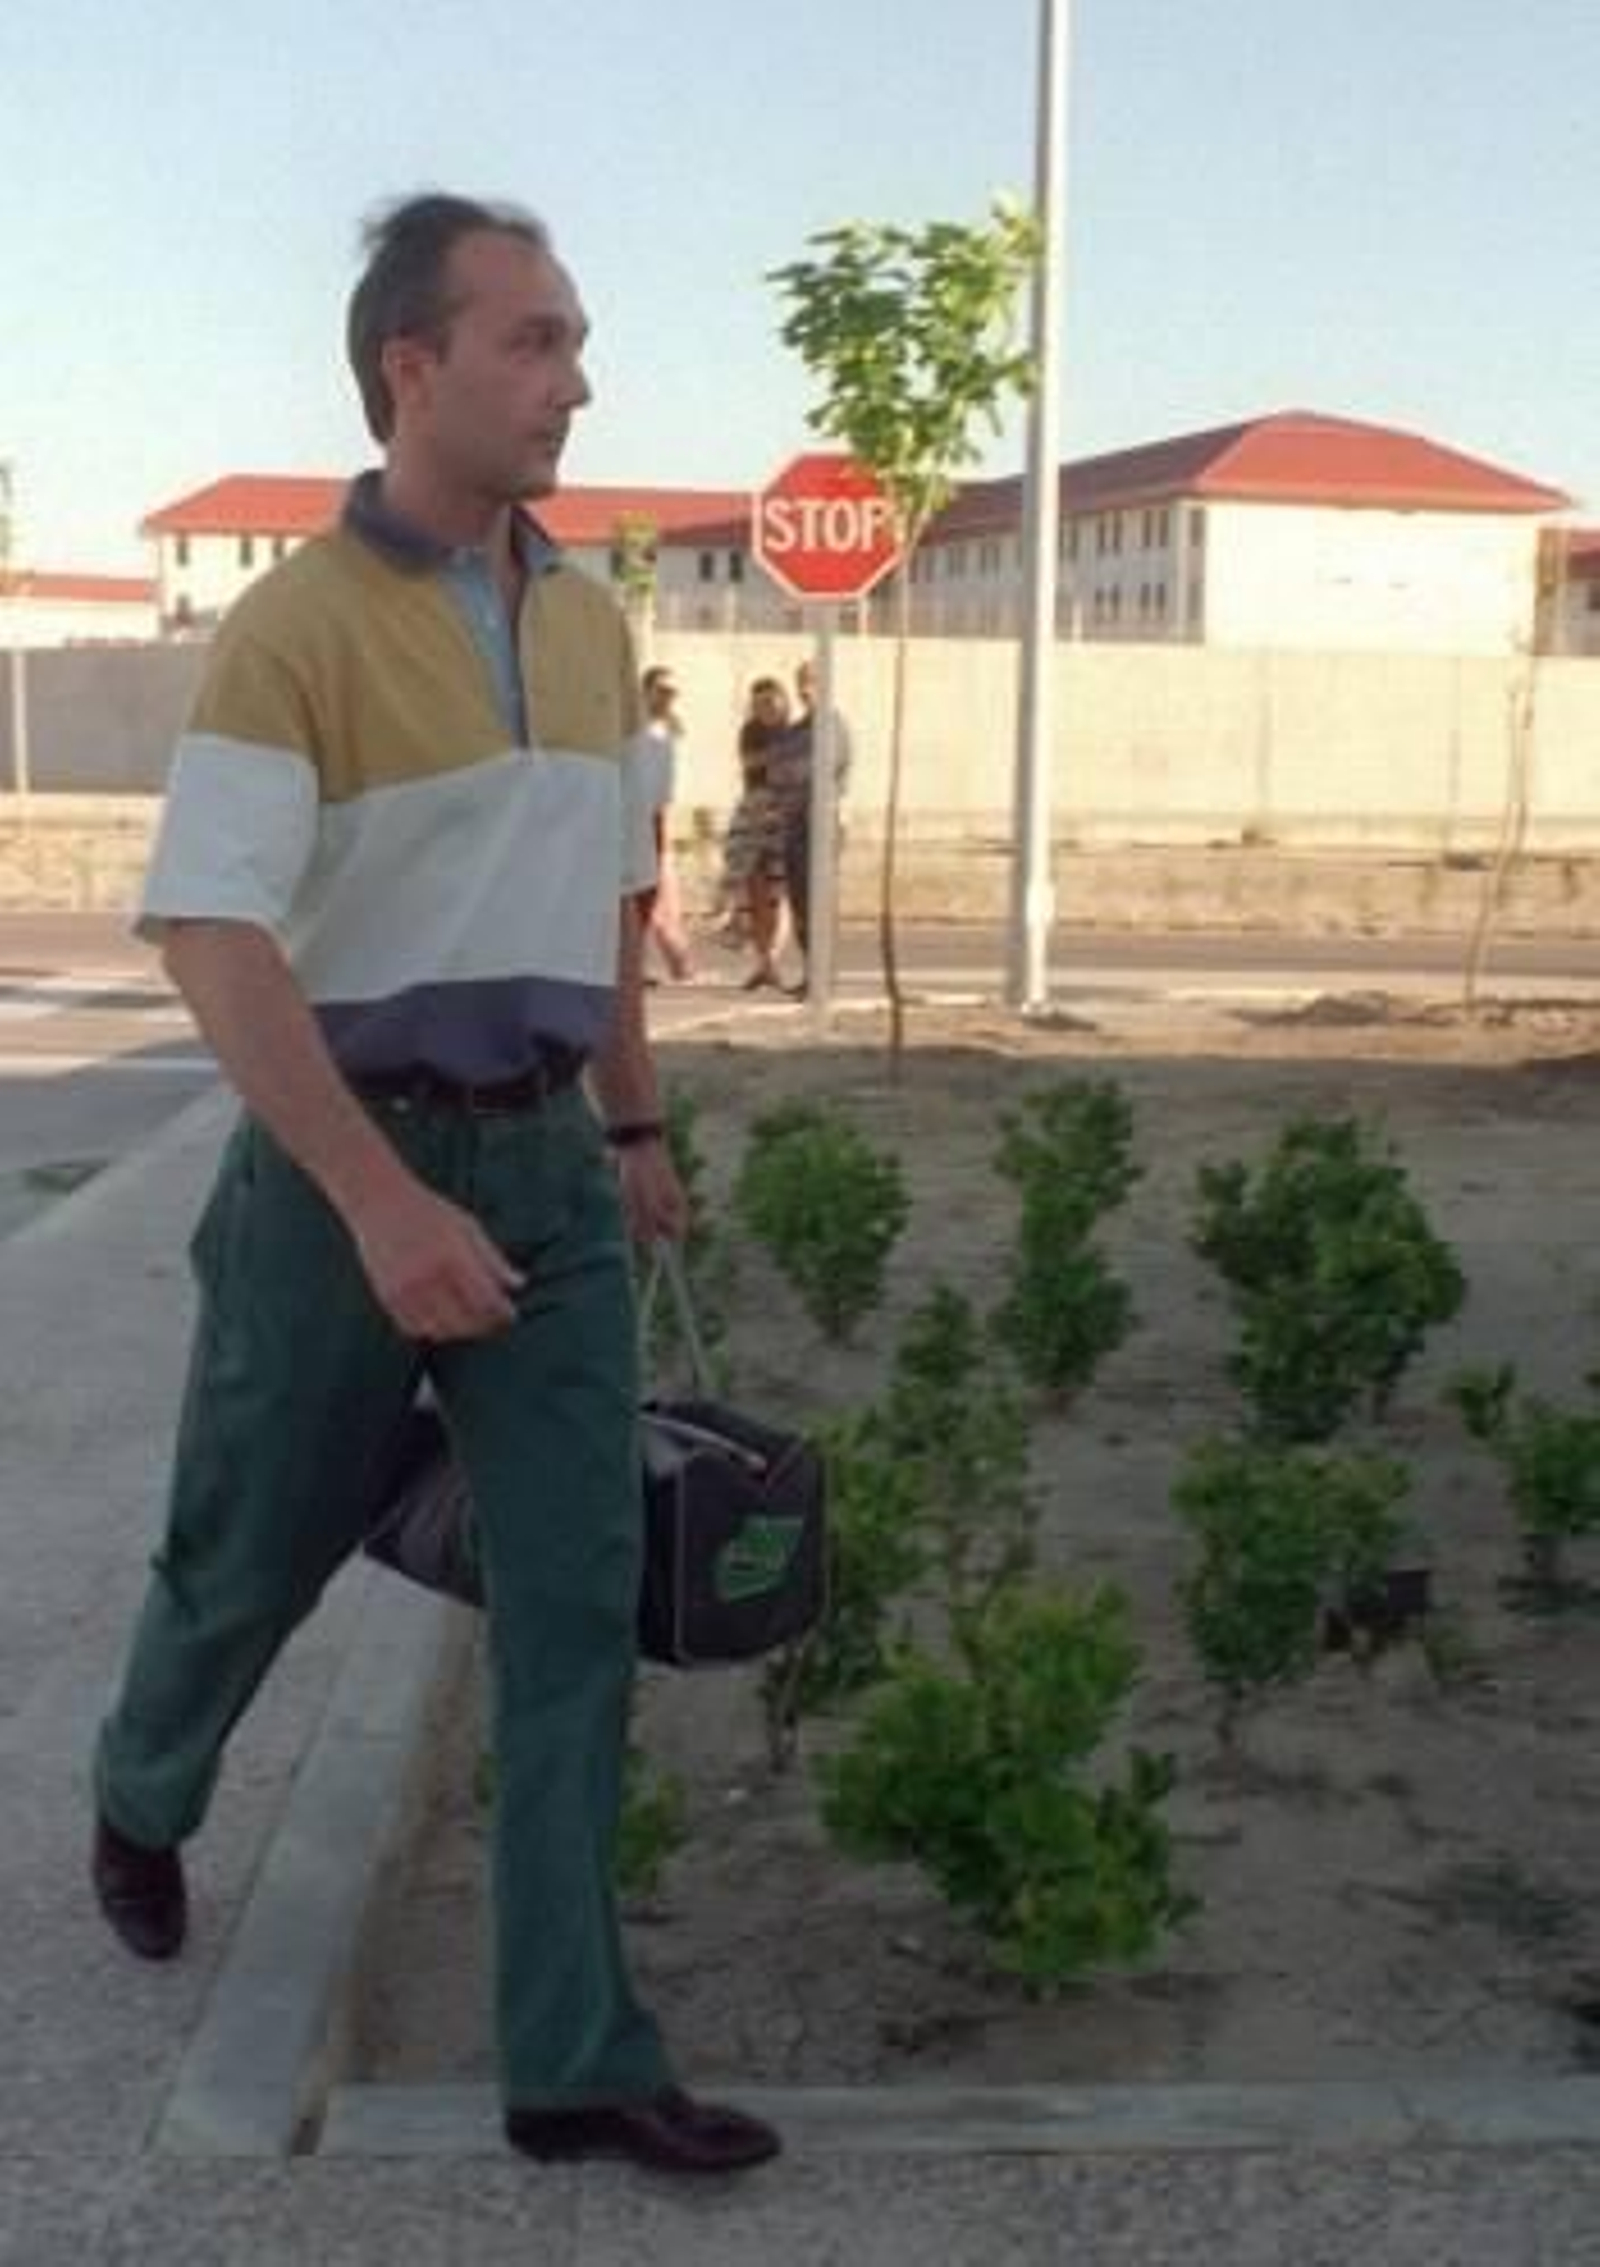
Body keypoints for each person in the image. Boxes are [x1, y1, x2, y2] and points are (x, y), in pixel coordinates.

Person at [89, 192, 779, 2179]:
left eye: (572, 339)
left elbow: (611, 892)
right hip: (336, 1174)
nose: (574, 376)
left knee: (573, 1595)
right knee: (249, 1558)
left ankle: (573, 2055)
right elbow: (212, 930)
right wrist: (381, 1204)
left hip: (550, 1167)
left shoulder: (587, 615)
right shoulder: (292, 626)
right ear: (415, 364)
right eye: (537, 339)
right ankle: (141, 1788)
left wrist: (631, 1123)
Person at [768, 657, 852, 997]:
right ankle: (811, 974)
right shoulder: (797, 729)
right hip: (794, 823)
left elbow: (813, 770)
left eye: (813, 682)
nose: (805, 690)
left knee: (819, 903)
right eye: (802, 682)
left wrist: (788, 773)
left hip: (820, 822)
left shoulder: (832, 727)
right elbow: (776, 772)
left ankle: (823, 979)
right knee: (801, 904)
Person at [713, 675, 790, 991]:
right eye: (758, 703)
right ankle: (763, 960)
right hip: (754, 813)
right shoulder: (751, 731)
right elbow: (750, 763)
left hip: (784, 814)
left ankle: (770, 960)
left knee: (779, 893)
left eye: (770, 701)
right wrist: (782, 755)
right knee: (752, 886)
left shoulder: (796, 732)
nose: (765, 708)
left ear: (784, 701)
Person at [636, 664, 696, 983]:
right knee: (640, 891)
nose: (666, 698)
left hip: (657, 815)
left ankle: (670, 960)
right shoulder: (635, 727)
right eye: (661, 691)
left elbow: (665, 782)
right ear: (646, 691)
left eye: (672, 693)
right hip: (635, 815)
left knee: (656, 891)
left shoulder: (669, 729)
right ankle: (642, 964)